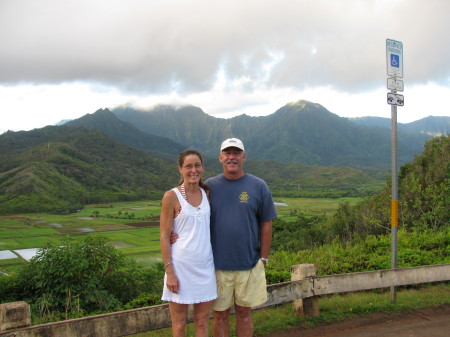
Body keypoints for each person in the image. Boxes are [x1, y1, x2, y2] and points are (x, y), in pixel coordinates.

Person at [206, 137, 277, 337]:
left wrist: (264, 257)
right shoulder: (209, 186)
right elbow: (193, 218)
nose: (232, 157)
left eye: (236, 153)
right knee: (219, 315)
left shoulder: (258, 185)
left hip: (249, 263)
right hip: (217, 265)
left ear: (244, 157)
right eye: (227, 153)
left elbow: (266, 223)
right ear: (220, 157)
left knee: (245, 314)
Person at [160, 149, 217, 337]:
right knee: (179, 324)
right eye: (188, 166)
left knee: (202, 322)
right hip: (180, 268)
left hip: (205, 267)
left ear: (202, 168)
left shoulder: (206, 193)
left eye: (197, 165)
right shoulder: (171, 196)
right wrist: (170, 272)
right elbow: (164, 235)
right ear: (180, 169)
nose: (194, 170)